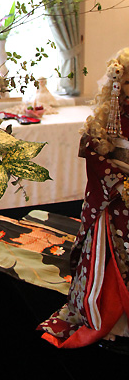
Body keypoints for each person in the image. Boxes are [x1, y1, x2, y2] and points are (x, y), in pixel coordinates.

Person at [38, 48, 129, 348]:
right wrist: (118, 184)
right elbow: (93, 152)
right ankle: (111, 314)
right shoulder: (108, 120)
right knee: (111, 259)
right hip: (115, 200)